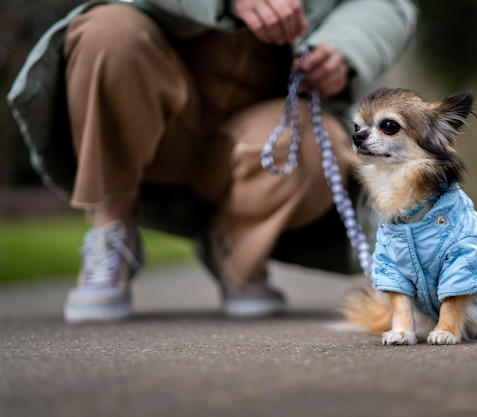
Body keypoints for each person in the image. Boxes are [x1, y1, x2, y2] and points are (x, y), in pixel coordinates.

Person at [7, 0, 417, 322]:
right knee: (106, 33)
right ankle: (112, 230)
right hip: (153, 99)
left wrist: (343, 49)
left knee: (320, 141)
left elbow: (388, 4)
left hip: (263, 123)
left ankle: (233, 248)